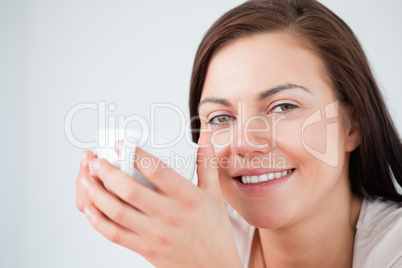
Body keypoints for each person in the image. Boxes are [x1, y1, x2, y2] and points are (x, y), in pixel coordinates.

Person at [76, 0, 402, 267]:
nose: (244, 143)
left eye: (283, 107)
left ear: (352, 126)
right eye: (220, 118)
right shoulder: (194, 238)